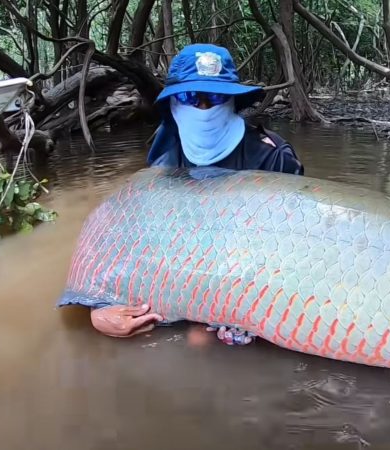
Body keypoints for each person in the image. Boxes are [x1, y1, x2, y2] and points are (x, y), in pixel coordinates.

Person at [89, 43, 303, 346]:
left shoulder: (273, 157)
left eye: (214, 97)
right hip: (186, 270)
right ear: (173, 104)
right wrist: (99, 308)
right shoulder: (165, 156)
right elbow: (136, 242)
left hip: (249, 274)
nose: (202, 107)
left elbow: (295, 247)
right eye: (190, 97)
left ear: (231, 100)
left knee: (198, 340)